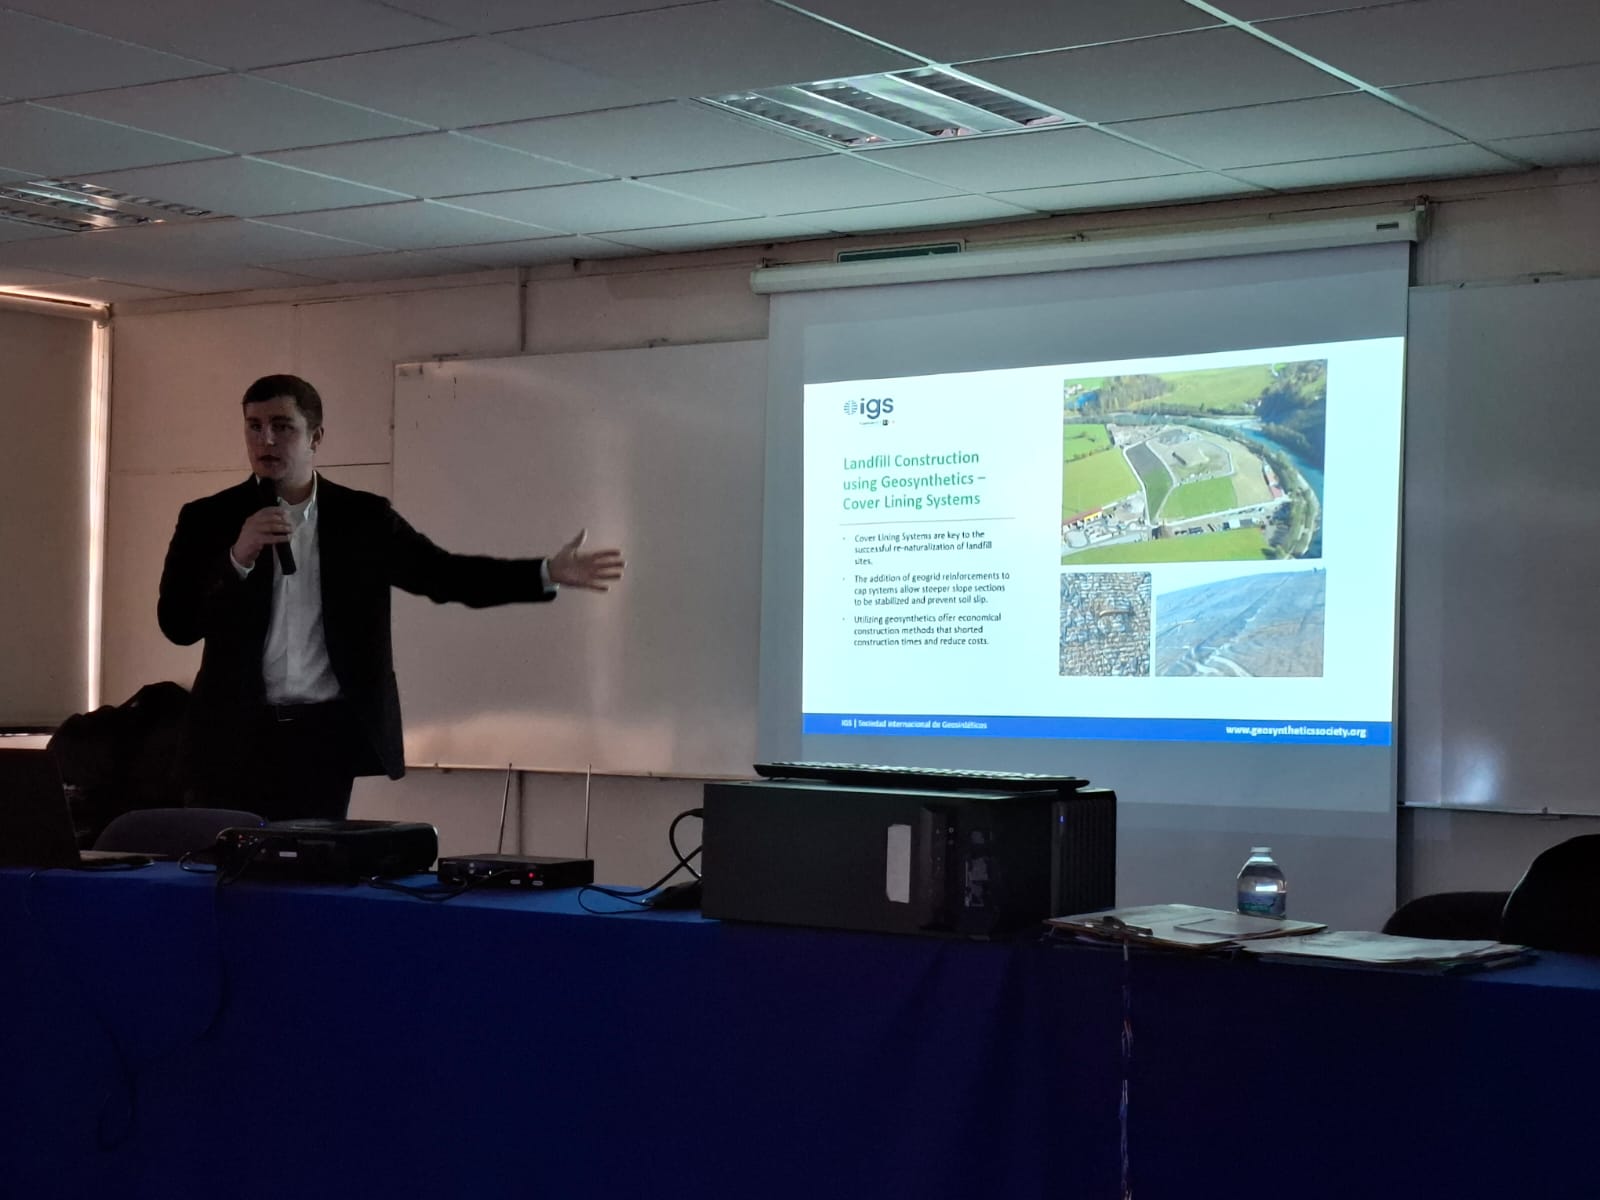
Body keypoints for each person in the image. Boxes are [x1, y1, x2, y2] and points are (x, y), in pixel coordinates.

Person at [157, 374, 623, 821]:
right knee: (226, 878)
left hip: (323, 737)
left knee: (309, 878)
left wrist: (544, 572)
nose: (267, 441)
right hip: (232, 735)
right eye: (254, 427)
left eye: (283, 427)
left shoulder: (362, 518)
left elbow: (443, 575)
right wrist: (238, 557)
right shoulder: (208, 519)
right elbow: (177, 624)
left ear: (316, 437)